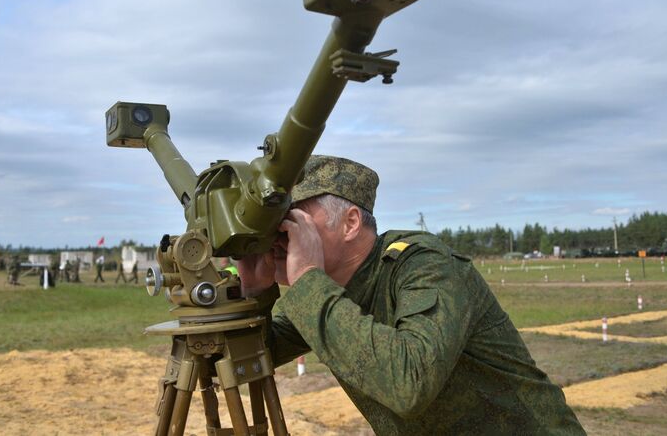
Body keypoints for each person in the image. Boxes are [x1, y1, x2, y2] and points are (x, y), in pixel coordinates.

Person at [238, 156, 584, 435]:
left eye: (291, 219)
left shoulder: (422, 264)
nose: (279, 236)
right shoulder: (327, 290)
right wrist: (256, 294)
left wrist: (308, 280)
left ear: (350, 222)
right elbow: (249, 358)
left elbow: (408, 384)